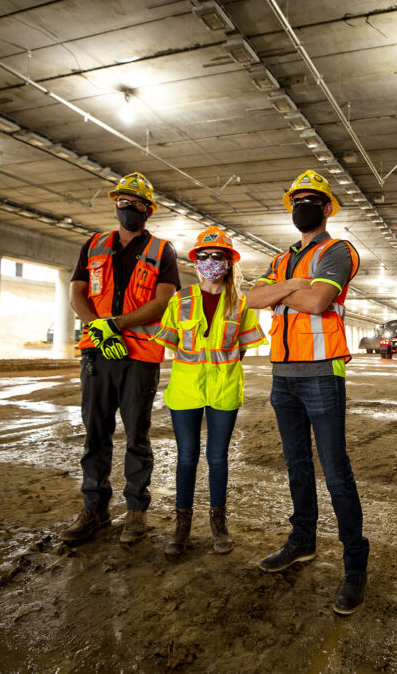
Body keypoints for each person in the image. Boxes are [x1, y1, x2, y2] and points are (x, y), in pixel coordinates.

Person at [245, 170, 369, 615]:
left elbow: (319, 303)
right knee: (296, 465)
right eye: (297, 199)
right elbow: (253, 298)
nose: (303, 206)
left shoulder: (339, 250)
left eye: (312, 199)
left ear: (326, 207)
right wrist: (296, 285)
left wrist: (288, 293)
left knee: (336, 472)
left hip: (321, 375)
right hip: (283, 376)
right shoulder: (281, 259)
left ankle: (355, 566)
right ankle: (302, 540)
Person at [60, 172, 180, 546]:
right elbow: (76, 294)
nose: (128, 207)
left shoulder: (162, 250)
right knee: (95, 435)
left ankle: (136, 512)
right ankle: (94, 509)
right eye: (122, 201)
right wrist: (97, 327)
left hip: (139, 357)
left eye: (137, 203)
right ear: (115, 205)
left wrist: (116, 325)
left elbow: (163, 301)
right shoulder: (93, 245)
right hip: (98, 355)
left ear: (149, 210)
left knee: (136, 437)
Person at [153, 227, 266, 556]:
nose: (209, 262)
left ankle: (218, 523)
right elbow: (170, 343)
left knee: (217, 458)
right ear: (195, 261)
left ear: (229, 262)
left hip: (224, 389)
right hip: (186, 390)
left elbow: (243, 347)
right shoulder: (180, 299)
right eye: (202, 256)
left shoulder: (241, 303)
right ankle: (182, 526)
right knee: (186, 458)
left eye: (217, 256)